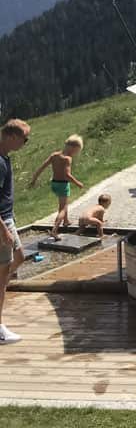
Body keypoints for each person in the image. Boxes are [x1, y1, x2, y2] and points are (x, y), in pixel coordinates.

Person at [1, 119, 31, 345]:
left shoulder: (5, 157)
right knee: (1, 279)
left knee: (19, 258)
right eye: (25, 138)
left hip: (8, 218)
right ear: (12, 137)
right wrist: (3, 229)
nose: (26, 142)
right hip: (2, 223)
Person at [30, 134, 85, 240]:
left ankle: (66, 221)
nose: (75, 154)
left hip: (54, 183)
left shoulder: (54, 155)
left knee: (64, 203)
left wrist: (34, 180)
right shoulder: (67, 159)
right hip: (63, 184)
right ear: (73, 148)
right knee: (63, 208)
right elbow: (67, 175)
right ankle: (55, 230)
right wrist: (78, 183)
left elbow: (41, 167)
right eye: (76, 151)